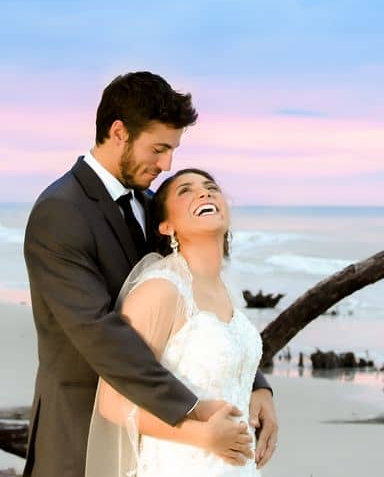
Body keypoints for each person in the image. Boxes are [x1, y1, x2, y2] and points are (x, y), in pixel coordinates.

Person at [23, 72, 277, 477]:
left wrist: (254, 382)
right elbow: (102, 333)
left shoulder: (152, 202)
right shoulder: (61, 212)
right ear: (119, 132)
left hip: (162, 446)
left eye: (173, 150)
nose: (166, 165)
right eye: (158, 149)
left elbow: (197, 297)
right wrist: (193, 412)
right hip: (81, 431)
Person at [88, 168, 267, 476]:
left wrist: (261, 393)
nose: (205, 192)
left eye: (211, 187)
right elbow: (113, 402)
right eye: (186, 190)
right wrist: (204, 436)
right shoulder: (160, 290)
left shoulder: (227, 289)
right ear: (166, 226)